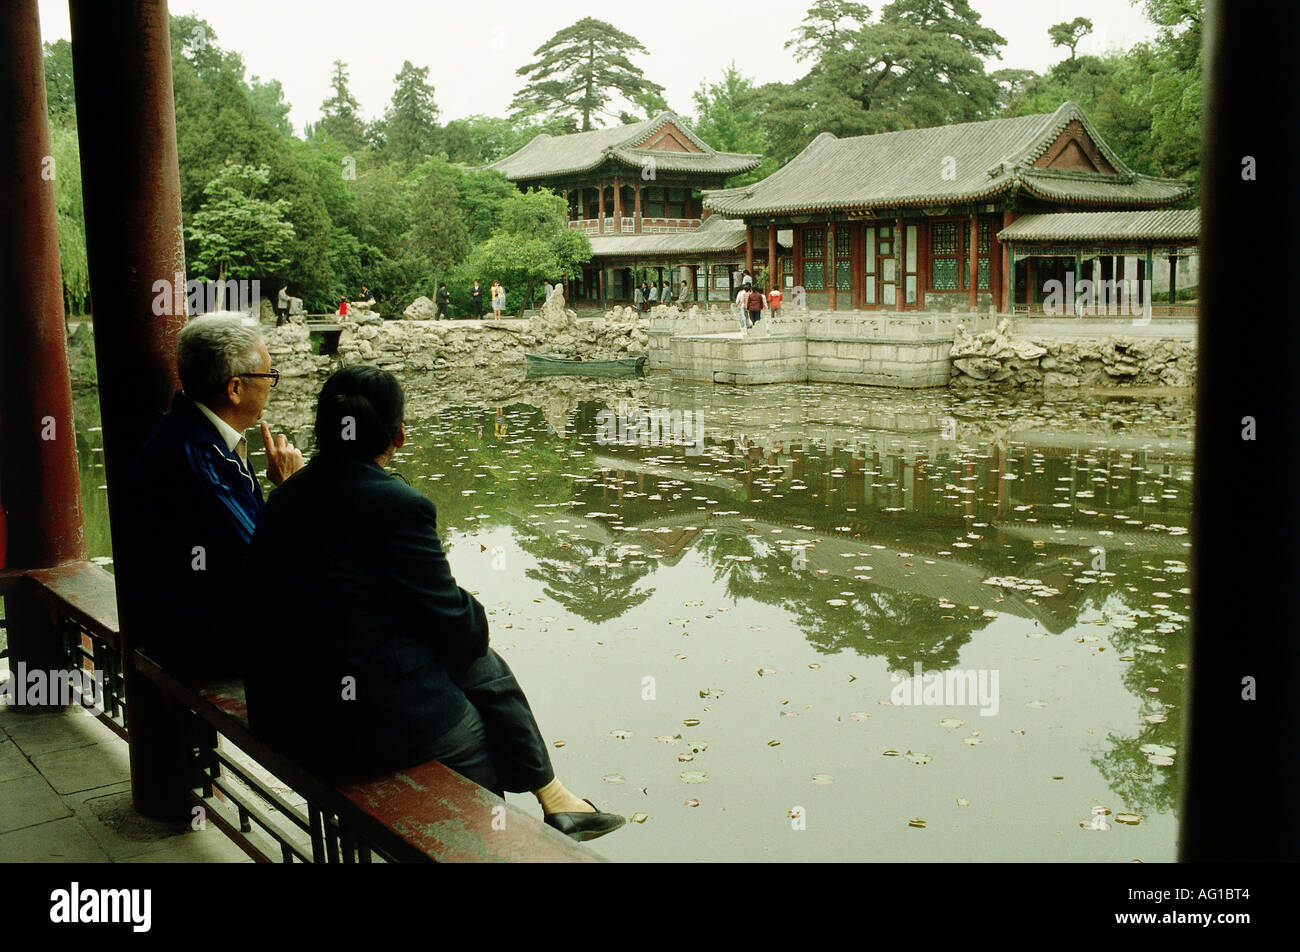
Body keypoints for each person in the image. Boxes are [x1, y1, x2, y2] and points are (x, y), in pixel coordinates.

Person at [244, 367, 625, 842]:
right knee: (473, 711)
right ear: (398, 436)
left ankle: (556, 799)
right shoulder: (398, 505)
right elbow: (457, 627)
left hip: (282, 713)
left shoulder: (283, 498)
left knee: (476, 663)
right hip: (352, 727)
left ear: (321, 430)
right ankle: (491, 844)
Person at [125, 312, 304, 679]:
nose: (271, 384)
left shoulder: (196, 429)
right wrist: (291, 490)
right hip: (202, 644)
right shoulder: (198, 456)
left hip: (193, 623)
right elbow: (266, 559)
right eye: (268, 376)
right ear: (235, 388)